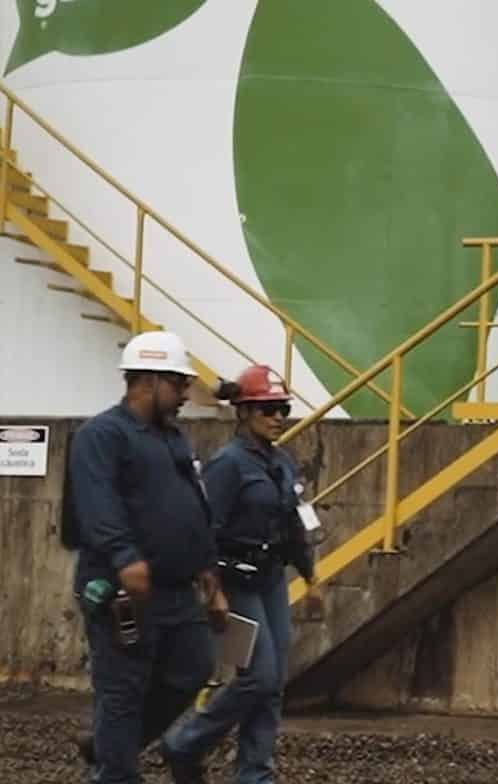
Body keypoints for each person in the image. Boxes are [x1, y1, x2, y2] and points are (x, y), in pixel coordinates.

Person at [65, 330, 229, 784]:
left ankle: (107, 749)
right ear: (149, 380)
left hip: (176, 589)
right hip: (122, 589)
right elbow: (97, 504)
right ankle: (115, 772)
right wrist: (124, 556)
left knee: (194, 667)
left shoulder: (172, 439)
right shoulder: (102, 436)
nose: (183, 395)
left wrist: (208, 569)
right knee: (123, 691)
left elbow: (193, 507)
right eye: (178, 384)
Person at [162, 364, 323, 784]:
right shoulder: (227, 465)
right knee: (259, 676)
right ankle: (187, 742)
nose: (277, 416)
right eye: (267, 408)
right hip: (233, 584)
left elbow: (294, 525)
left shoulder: (282, 463)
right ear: (244, 412)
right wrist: (212, 591)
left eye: (282, 408)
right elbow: (204, 531)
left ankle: (255, 774)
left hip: (271, 579)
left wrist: (311, 578)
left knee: (273, 684)